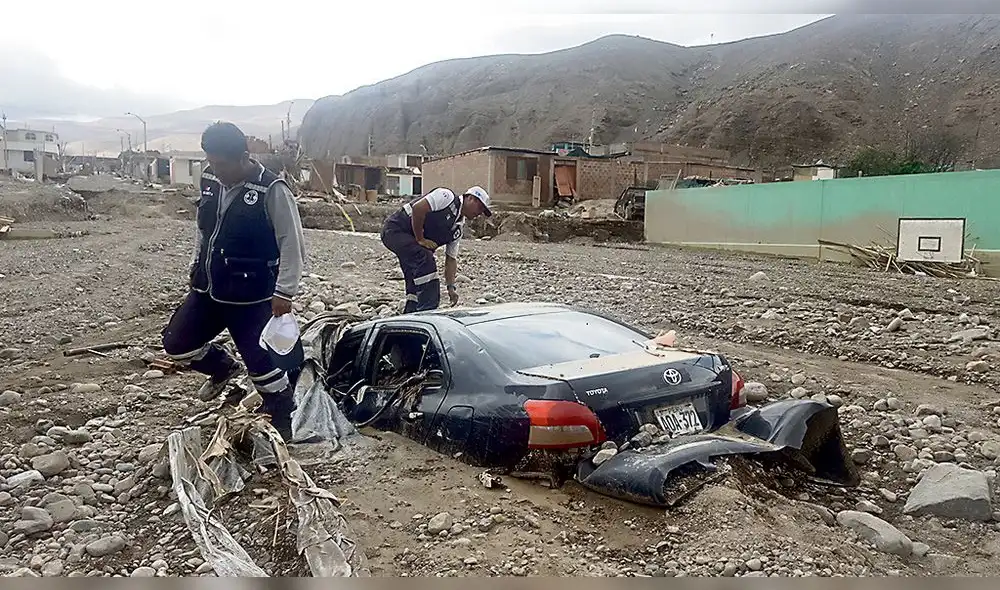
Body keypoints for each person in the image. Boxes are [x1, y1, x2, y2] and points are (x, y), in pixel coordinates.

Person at [161, 121, 306, 440]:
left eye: (223, 164)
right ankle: (222, 367)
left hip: (251, 296)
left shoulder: (272, 190)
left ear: (243, 157)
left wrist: (285, 292)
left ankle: (282, 418)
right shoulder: (210, 179)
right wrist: (195, 263)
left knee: (264, 368)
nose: (217, 170)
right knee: (176, 344)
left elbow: (292, 244)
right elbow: (204, 229)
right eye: (211, 162)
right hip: (208, 288)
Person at [381, 186, 492, 313]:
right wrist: (420, 239)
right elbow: (418, 208)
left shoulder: (457, 229)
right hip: (395, 230)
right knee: (425, 259)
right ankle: (428, 309)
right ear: (471, 198)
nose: (480, 213)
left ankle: (411, 312)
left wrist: (451, 287)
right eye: (480, 208)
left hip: (410, 242)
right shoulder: (446, 197)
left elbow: (451, 259)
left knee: (415, 275)